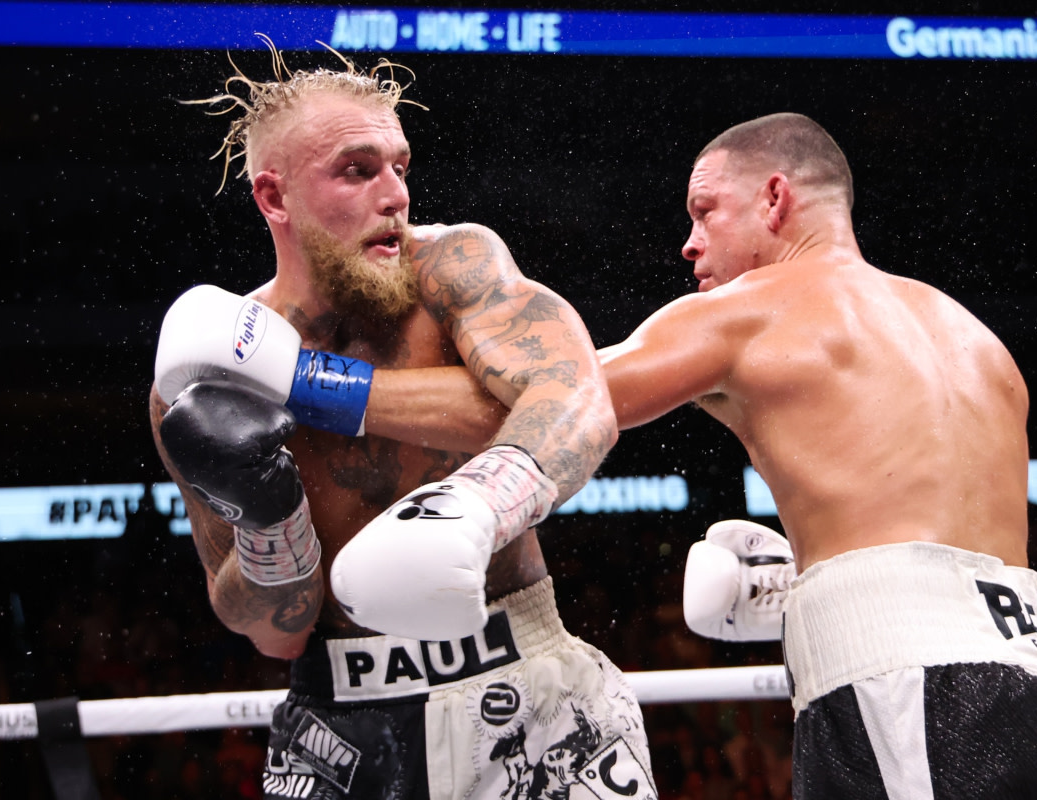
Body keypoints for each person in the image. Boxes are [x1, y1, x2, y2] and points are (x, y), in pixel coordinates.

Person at [414, 112, 1037, 797]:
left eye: (705, 212)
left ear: (774, 197)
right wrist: (813, 588)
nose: (689, 244)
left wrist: (328, 387)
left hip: (909, 694)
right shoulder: (973, 336)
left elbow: (555, 408)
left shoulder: (745, 315)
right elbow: (942, 541)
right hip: (1035, 686)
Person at [149, 40, 656, 799]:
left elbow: (575, 399)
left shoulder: (454, 266)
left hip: (525, 680)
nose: (396, 194)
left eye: (399, 166)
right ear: (274, 198)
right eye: (357, 170)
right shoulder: (205, 383)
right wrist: (269, 529)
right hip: (339, 724)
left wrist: (308, 384)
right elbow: (271, 630)